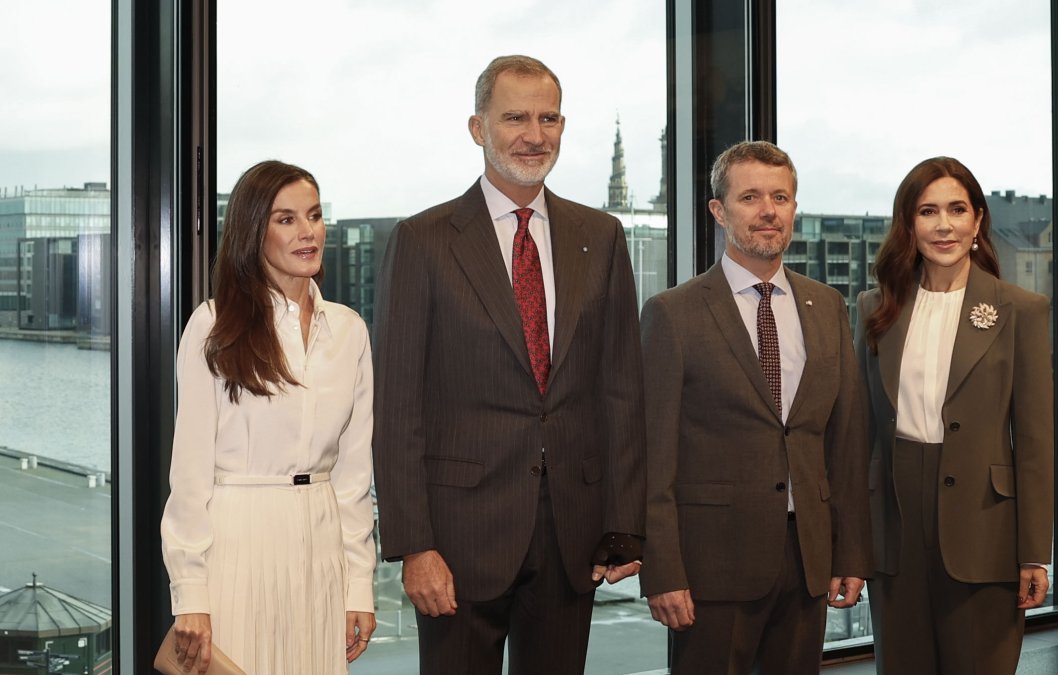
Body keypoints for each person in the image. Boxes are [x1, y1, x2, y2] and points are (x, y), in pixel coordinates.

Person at [371, 55, 646, 675]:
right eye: (515, 117)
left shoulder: (599, 236)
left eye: (548, 118)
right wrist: (414, 546)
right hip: (458, 538)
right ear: (478, 128)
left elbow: (622, 390)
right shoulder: (423, 240)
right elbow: (398, 407)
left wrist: (625, 523)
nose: (534, 134)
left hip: (572, 532)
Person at [640, 140, 872, 675]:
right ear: (719, 212)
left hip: (807, 559)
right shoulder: (673, 315)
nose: (769, 211)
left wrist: (851, 552)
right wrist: (663, 570)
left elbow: (847, 442)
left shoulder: (827, 306)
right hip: (710, 569)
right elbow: (652, 456)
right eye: (750, 197)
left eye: (781, 197)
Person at [160, 160, 377, 674]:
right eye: (286, 219)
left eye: (315, 215)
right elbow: (190, 475)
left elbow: (353, 477)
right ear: (253, 231)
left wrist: (359, 586)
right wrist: (190, 592)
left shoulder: (350, 331)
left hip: (322, 546)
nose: (308, 232)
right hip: (238, 546)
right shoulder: (213, 325)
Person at [855, 156, 1054, 675]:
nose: (943, 225)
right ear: (909, 224)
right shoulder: (875, 309)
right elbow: (861, 437)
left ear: (978, 220)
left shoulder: (1021, 310)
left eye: (957, 209)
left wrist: (1035, 551)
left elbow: (1034, 441)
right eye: (927, 211)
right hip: (895, 524)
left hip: (986, 525)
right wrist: (852, 544)